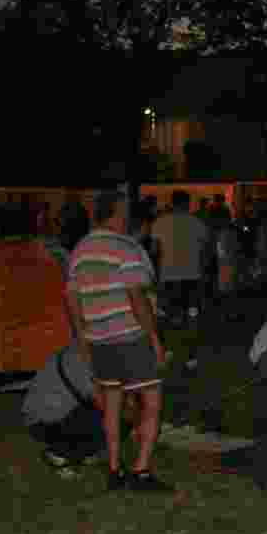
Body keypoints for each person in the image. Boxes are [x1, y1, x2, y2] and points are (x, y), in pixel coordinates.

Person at [66, 190, 171, 492]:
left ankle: (114, 468)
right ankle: (140, 471)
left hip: (99, 339)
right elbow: (136, 297)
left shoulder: (80, 250)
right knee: (151, 401)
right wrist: (154, 338)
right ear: (119, 212)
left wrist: (84, 339)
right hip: (129, 337)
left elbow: (72, 300)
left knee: (112, 404)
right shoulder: (126, 247)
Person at [23, 343, 116, 478]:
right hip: (43, 422)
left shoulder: (86, 350)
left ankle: (87, 451)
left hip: (48, 416)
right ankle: (59, 453)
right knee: (106, 417)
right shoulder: (84, 358)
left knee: (111, 415)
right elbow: (102, 402)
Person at [151, 190, 209, 322]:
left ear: (172, 203)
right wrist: (204, 269)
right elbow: (205, 249)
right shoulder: (197, 222)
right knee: (192, 312)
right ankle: (193, 334)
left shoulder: (160, 222)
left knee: (171, 312)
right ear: (188, 203)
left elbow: (154, 250)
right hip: (193, 272)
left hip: (169, 272)